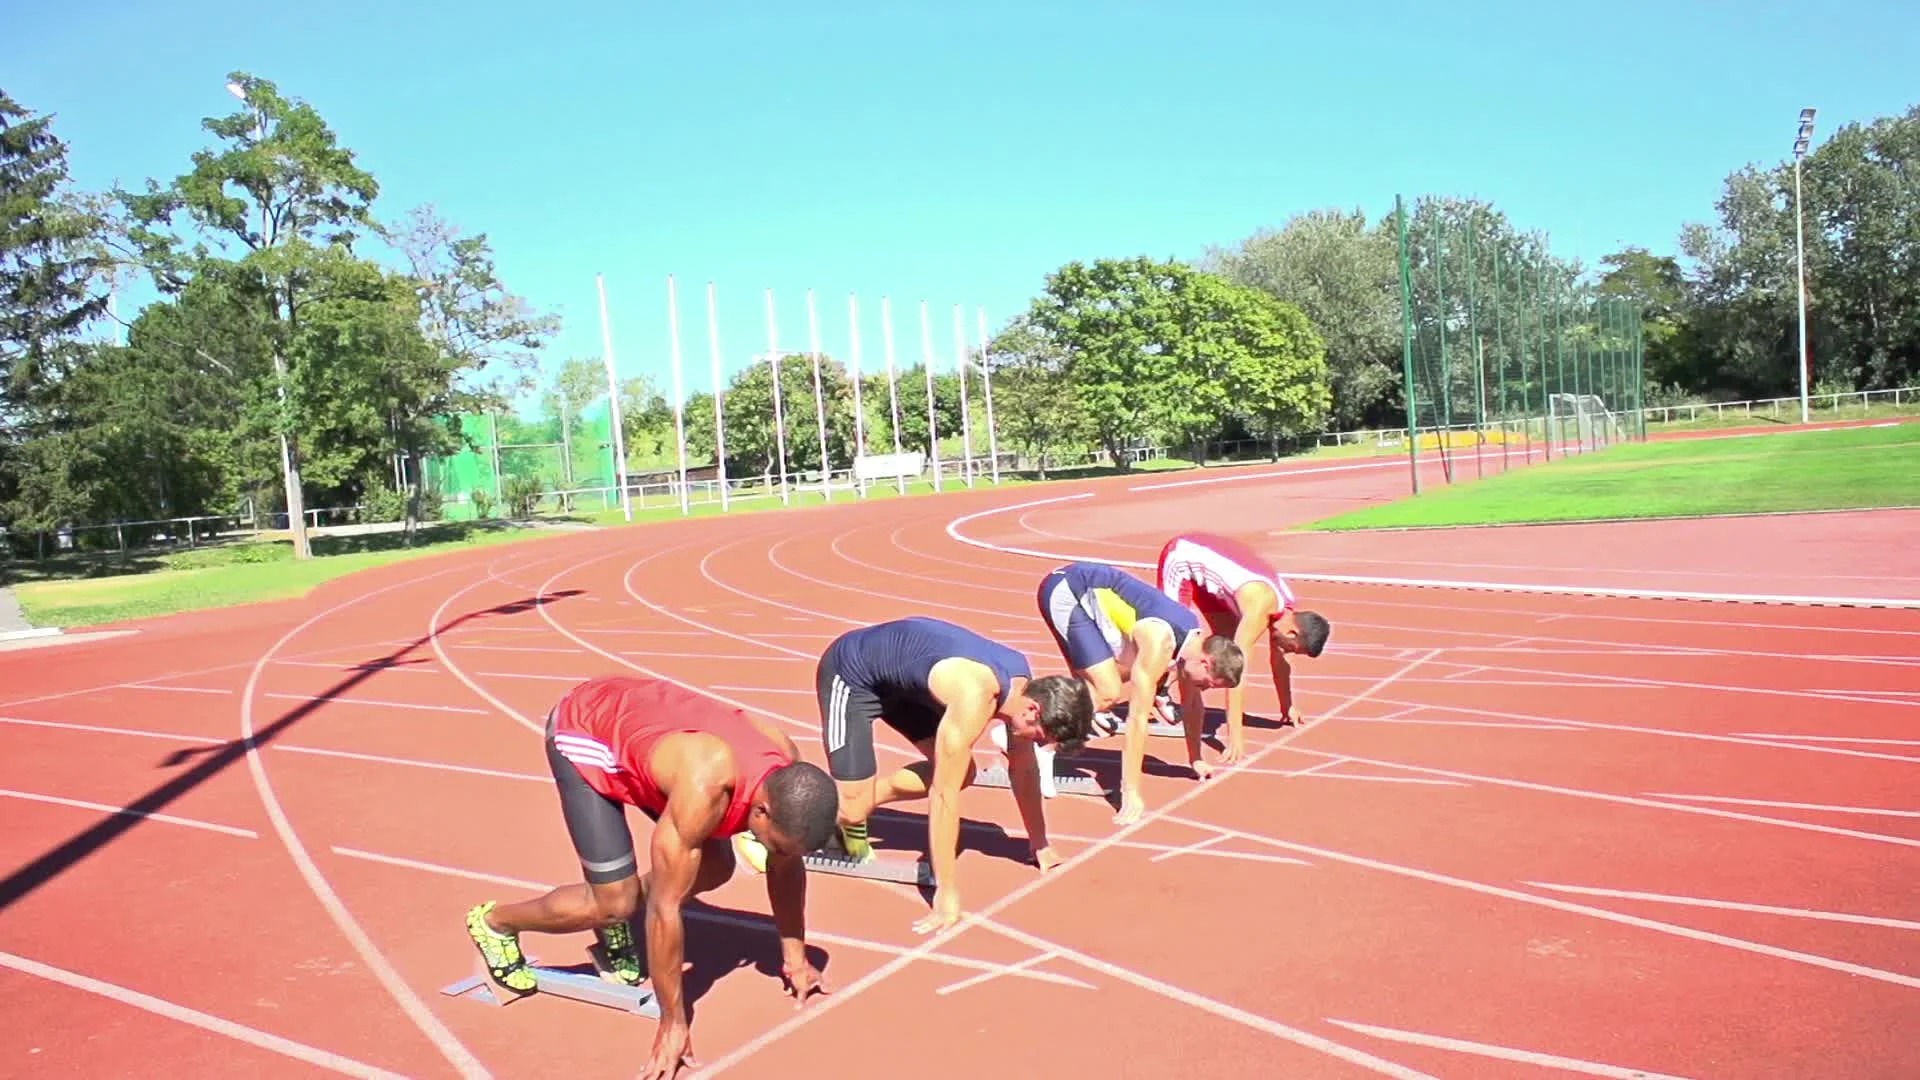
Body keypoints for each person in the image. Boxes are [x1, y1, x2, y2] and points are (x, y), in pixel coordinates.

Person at [463, 675, 839, 1080]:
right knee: (615, 904)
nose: (777, 856)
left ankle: (613, 926)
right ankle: (496, 923)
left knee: (715, 867)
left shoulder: (786, 772)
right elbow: (665, 909)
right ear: (761, 811)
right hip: (586, 732)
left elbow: (785, 866)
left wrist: (795, 959)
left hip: (649, 730)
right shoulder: (705, 785)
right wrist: (673, 1022)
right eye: (778, 845)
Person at [803, 616, 1094, 935]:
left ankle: (861, 801)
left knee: (963, 772)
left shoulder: (1023, 688)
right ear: (1033, 710)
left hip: (905, 687)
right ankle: (777, 810)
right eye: (1040, 737)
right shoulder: (975, 696)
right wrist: (946, 888)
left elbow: (1023, 770)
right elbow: (943, 795)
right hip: (853, 672)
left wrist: (1039, 843)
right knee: (854, 809)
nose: (1039, 743)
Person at [1036, 560, 1245, 825]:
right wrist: (1130, 791)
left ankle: (1038, 715)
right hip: (1067, 591)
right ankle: (1038, 744)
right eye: (1208, 683)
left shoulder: (1193, 642)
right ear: (1206, 662)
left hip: (1092, 597)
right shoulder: (1161, 643)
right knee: (1109, 691)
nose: (1204, 689)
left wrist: (1196, 759)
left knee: (1115, 678)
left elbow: (1193, 704)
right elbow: (1137, 720)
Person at [1157, 532, 1332, 764]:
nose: (1286, 651)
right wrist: (1235, 738)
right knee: (1172, 641)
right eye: (1293, 649)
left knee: (1221, 649)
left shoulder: (1286, 612)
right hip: (1182, 559)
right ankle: (1121, 686)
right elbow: (1238, 673)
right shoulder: (1262, 608)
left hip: (1213, 586)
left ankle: (1161, 686)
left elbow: (1279, 663)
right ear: (1293, 633)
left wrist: (1287, 707)